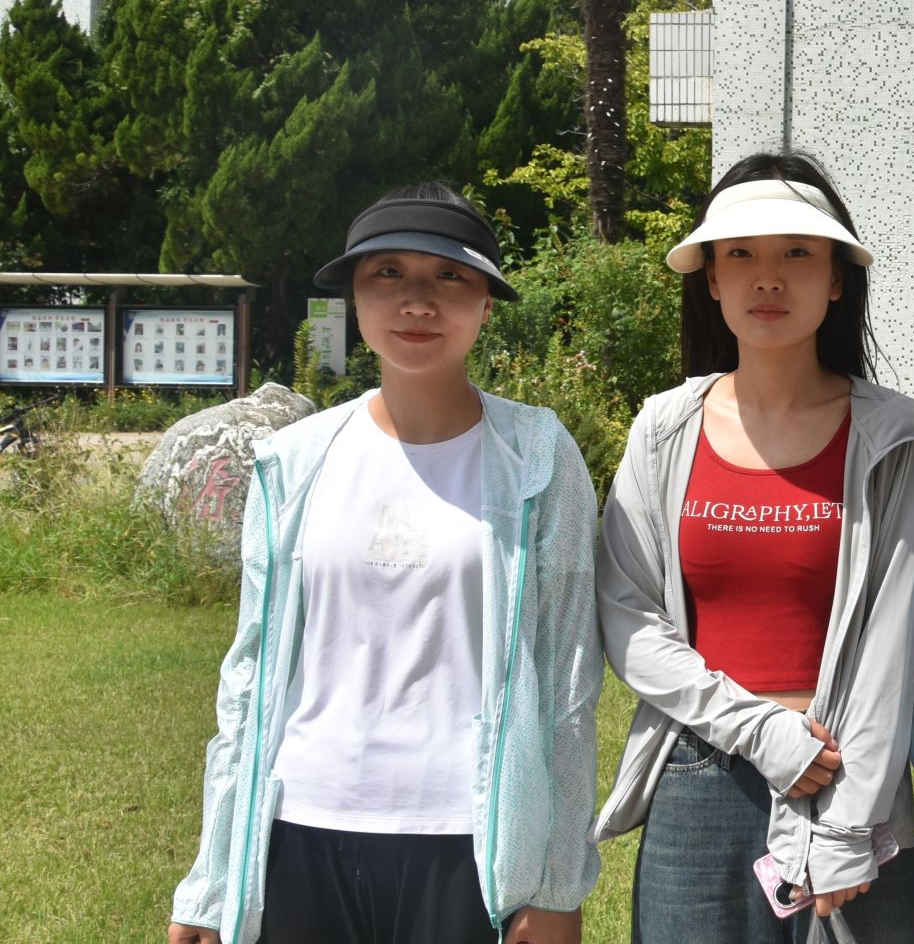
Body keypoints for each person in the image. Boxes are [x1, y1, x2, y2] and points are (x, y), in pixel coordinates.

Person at [168, 183, 602, 944]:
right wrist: (212, 883)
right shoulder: (293, 461)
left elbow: (567, 681)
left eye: (449, 276)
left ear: (486, 302)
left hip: (469, 837)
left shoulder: (535, 456)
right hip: (300, 828)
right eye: (388, 273)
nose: (418, 301)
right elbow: (248, 679)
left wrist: (558, 882)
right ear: (356, 297)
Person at [594, 153, 914, 943]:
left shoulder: (891, 436)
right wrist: (757, 730)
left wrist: (850, 822)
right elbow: (627, 612)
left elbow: (894, 642)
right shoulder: (664, 428)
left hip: (847, 775)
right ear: (711, 278)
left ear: (837, 277)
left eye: (797, 253)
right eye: (741, 253)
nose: (768, 278)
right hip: (700, 770)